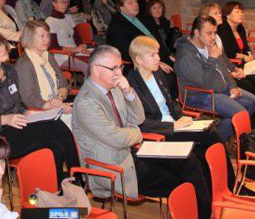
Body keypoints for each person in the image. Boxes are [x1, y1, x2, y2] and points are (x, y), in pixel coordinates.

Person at [71, 46, 211, 217]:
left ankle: (204, 214)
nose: (119, 73)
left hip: (132, 153)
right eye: (113, 68)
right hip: (114, 166)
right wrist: (136, 133)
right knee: (182, 182)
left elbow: (138, 118)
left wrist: (128, 91)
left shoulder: (114, 88)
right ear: (96, 70)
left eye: (120, 67)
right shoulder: (86, 102)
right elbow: (117, 139)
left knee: (189, 161)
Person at [126, 36, 240, 192]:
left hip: (175, 124)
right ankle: (225, 188)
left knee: (210, 137)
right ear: (139, 59)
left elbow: (170, 104)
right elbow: (141, 123)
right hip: (161, 132)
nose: (158, 58)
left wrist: (182, 117)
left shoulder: (157, 74)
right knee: (209, 138)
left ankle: (226, 186)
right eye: (152, 55)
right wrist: (173, 125)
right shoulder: (132, 84)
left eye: (157, 53)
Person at [0, 32, 79, 184]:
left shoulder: (9, 70)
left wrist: (26, 111)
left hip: (17, 126)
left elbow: (16, 103)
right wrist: (4, 119)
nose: (2, 49)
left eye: (1, 44)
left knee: (54, 143)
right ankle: (78, 178)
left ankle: (58, 184)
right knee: (55, 128)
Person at [175, 16, 255, 141]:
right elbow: (203, 82)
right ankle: (213, 142)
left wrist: (232, 86)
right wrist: (212, 59)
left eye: (215, 33)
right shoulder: (186, 54)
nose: (213, 37)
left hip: (217, 89)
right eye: (209, 33)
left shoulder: (208, 45)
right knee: (240, 114)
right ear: (197, 32)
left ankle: (219, 137)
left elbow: (224, 68)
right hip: (198, 94)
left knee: (252, 101)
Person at [216, 1, 255, 125]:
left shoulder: (240, 28)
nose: (241, 14)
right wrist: (242, 56)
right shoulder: (223, 29)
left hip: (244, 62)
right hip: (235, 63)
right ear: (228, 14)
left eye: (242, 11)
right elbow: (227, 52)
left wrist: (248, 54)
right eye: (237, 11)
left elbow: (245, 47)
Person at [106, 0, 174, 73]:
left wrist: (167, 55)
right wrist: (156, 62)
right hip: (139, 65)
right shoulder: (117, 25)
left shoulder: (142, 18)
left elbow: (157, 39)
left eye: (136, 1)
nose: (135, 5)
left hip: (158, 56)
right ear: (121, 7)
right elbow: (128, 53)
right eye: (130, 3)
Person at [15, 21, 72, 121]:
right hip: (39, 112)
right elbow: (29, 99)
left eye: (48, 35)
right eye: (42, 36)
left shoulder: (48, 56)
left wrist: (59, 98)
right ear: (30, 37)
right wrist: (58, 107)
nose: (47, 39)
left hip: (56, 104)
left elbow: (63, 83)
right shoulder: (24, 64)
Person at [46, 0, 90, 75]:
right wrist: (75, 49)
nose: (65, 5)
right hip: (62, 56)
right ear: (54, 3)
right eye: (62, 2)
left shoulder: (69, 18)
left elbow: (77, 38)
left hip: (76, 52)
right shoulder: (50, 21)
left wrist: (82, 47)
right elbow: (54, 47)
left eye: (66, 2)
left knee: (98, 58)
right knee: (88, 66)